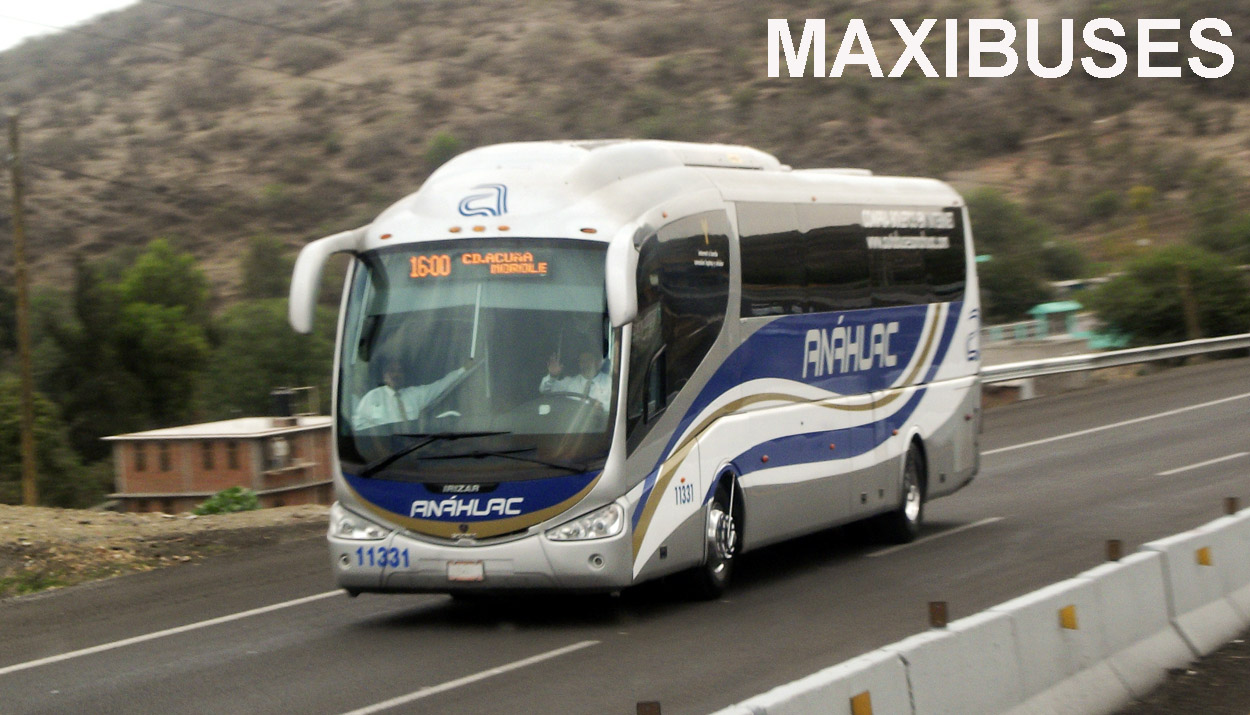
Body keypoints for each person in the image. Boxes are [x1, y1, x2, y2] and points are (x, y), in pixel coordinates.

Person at [353, 356, 470, 430]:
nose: (395, 375)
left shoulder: (414, 395)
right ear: (384, 376)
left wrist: (463, 369)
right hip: (383, 451)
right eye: (392, 371)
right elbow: (357, 425)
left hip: (411, 448)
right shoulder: (372, 397)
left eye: (399, 371)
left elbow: (440, 386)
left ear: (404, 376)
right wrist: (377, 434)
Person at [539, 350, 610, 410]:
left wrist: (602, 407)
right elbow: (545, 391)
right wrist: (552, 376)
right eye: (582, 361)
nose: (585, 364)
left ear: (598, 362)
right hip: (572, 424)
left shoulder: (610, 383)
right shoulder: (569, 382)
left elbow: (618, 408)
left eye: (589, 360)